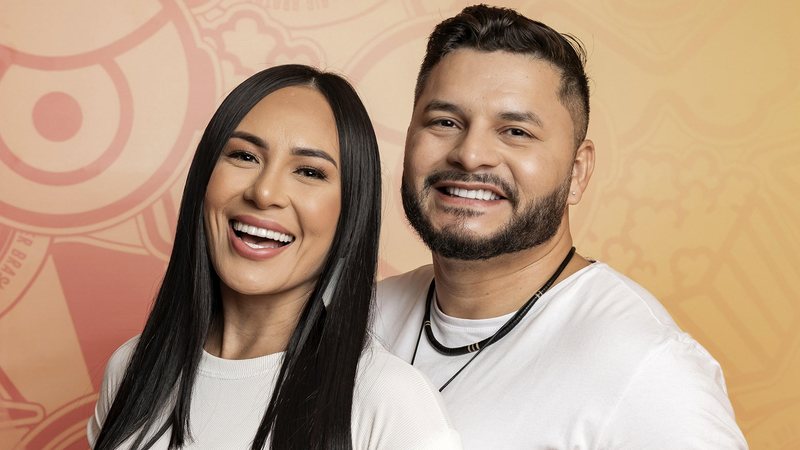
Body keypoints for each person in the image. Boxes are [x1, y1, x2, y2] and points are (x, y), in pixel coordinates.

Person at [374, 5, 748, 449]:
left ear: (577, 171)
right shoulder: (361, 315)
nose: (470, 155)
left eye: (515, 131)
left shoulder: (648, 369)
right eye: (445, 122)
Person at [88, 65, 460, 449]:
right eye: (245, 156)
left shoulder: (391, 403)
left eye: (309, 172)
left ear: (350, 213)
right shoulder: (131, 369)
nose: (264, 193)